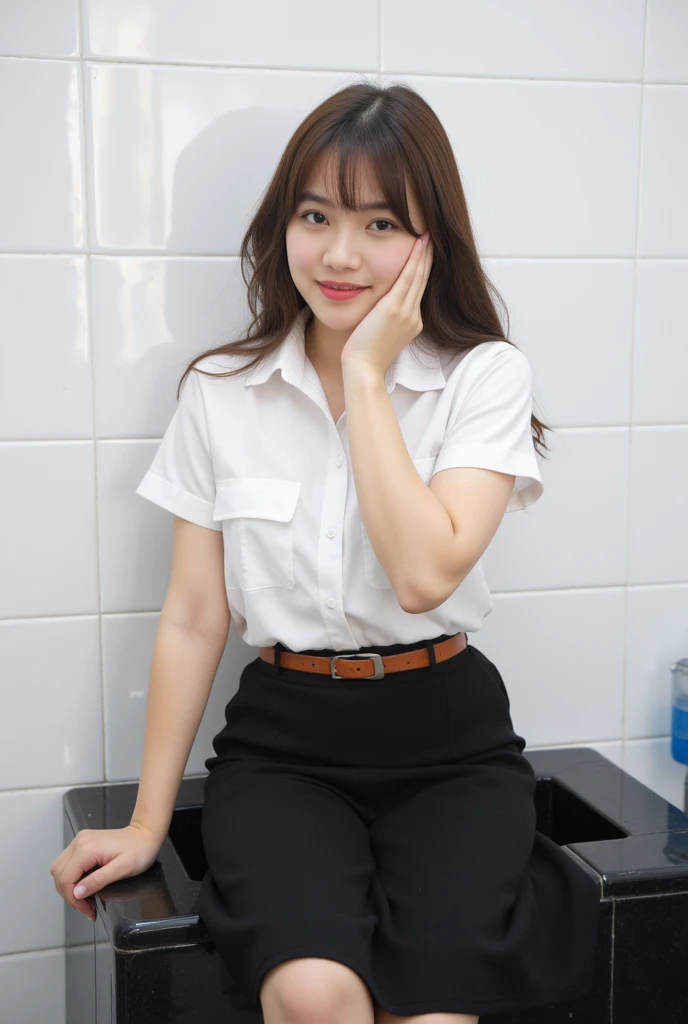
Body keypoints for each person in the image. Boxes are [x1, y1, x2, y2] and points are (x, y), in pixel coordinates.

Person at [50, 81, 601, 1023]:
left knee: (432, 1013)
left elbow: (428, 573)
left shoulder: (484, 377)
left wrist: (368, 378)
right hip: (286, 747)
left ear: (431, 242)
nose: (341, 254)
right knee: (313, 996)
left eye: (381, 223)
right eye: (316, 215)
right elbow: (193, 616)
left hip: (451, 746)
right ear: (283, 226)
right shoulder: (221, 393)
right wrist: (148, 823)